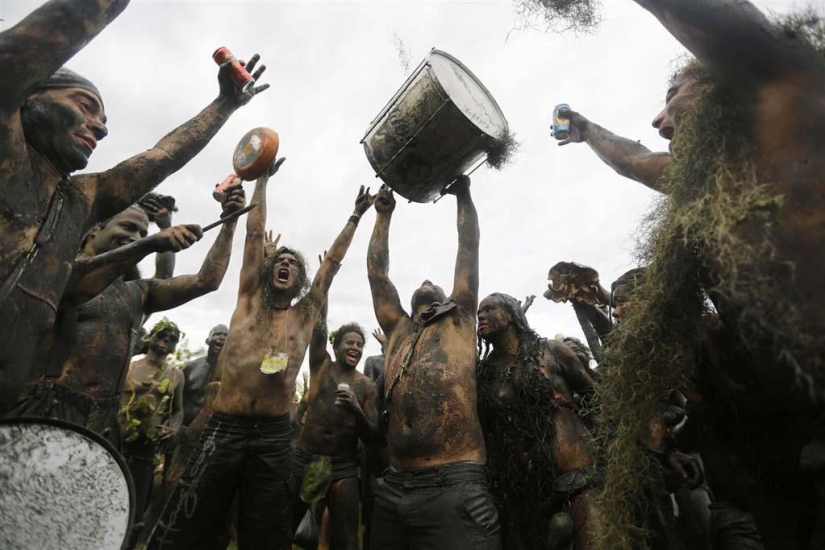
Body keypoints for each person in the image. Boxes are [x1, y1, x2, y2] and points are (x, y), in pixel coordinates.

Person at [0, 0, 269, 413]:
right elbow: (16, 60)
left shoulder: (77, 200)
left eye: (104, 118)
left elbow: (162, 156)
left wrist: (226, 105)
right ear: (30, 97)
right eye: (85, 106)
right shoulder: (9, 154)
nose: (102, 127)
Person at [150, 160, 374, 550]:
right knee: (191, 520)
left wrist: (355, 216)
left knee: (265, 531)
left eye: (292, 264)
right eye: (280, 262)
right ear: (269, 270)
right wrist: (263, 180)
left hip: (273, 437)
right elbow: (254, 235)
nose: (285, 265)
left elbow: (331, 266)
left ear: (300, 279)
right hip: (225, 427)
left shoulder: (305, 315)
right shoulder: (250, 300)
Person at [7, 185, 245, 448]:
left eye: (143, 233)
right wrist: (147, 243)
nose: (136, 237)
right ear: (95, 229)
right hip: (39, 414)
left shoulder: (137, 293)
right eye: (129, 228)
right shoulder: (56, 271)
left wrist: (230, 220)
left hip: (102, 426)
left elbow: (206, 281)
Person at [366, 178, 500, 549]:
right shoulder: (396, 329)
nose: (427, 280)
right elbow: (378, 275)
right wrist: (382, 217)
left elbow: (468, 246)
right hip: (395, 485)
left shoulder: (459, 318)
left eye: (434, 283)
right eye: (421, 283)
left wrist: (462, 194)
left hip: (455, 483)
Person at [477, 292, 600, 550]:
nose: (481, 315)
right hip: (525, 493)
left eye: (489, 309)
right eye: (479, 312)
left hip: (578, 478)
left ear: (511, 315)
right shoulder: (483, 374)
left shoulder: (552, 352)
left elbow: (597, 400)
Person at [291, 316, 378, 550]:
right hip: (306, 458)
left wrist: (356, 409)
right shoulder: (321, 366)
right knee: (286, 526)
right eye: (350, 343)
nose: (355, 348)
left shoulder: (366, 386)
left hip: (343, 466)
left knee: (348, 539)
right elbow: (318, 327)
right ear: (336, 346)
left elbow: (372, 437)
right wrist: (325, 282)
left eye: (360, 345)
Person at [120, 320, 185, 526]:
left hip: (147, 449)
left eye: (172, 338)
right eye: (161, 335)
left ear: (174, 346)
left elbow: (178, 411)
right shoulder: (129, 366)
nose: (166, 340)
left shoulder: (176, 375)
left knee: (136, 501)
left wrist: (173, 429)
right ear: (150, 338)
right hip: (117, 441)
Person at [181, 324, 229, 428]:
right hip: (182, 427)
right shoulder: (190, 367)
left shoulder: (232, 373)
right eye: (217, 334)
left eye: (226, 335)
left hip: (210, 432)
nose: (222, 337)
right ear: (208, 341)